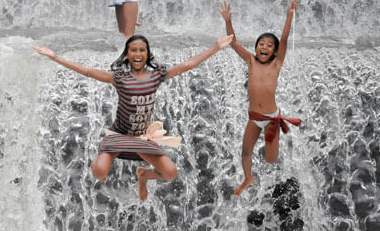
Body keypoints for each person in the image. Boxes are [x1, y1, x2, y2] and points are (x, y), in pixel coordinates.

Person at [33, 31, 233, 201]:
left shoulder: (157, 76)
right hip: (119, 136)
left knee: (170, 173)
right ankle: (102, 162)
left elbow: (188, 65)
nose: (138, 54)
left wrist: (216, 47)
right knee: (99, 171)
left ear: (147, 54)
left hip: (141, 138)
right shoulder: (119, 78)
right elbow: (87, 72)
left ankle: (144, 175)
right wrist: (54, 57)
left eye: (142, 50)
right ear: (127, 55)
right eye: (133, 50)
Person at [218, 0, 301, 197]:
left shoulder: (276, 64)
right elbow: (233, 41)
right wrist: (228, 21)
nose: (264, 47)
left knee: (271, 159)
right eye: (261, 44)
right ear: (255, 48)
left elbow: (285, 38)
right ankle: (248, 178)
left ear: (274, 51)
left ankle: (279, 173)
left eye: (269, 45)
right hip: (254, 117)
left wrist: (290, 15)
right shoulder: (250, 61)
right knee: (245, 151)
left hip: (272, 118)